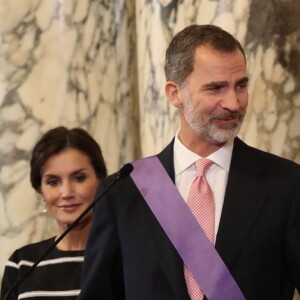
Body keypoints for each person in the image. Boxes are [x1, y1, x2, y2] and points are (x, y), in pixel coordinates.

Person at [78, 25, 300, 300]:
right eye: (215, 88)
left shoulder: (287, 185)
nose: (233, 102)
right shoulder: (122, 192)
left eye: (240, 85)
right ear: (175, 93)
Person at [0, 127, 107, 300]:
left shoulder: (126, 257)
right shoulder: (22, 263)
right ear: (40, 191)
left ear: (101, 182)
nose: (66, 192)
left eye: (79, 178)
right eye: (53, 181)